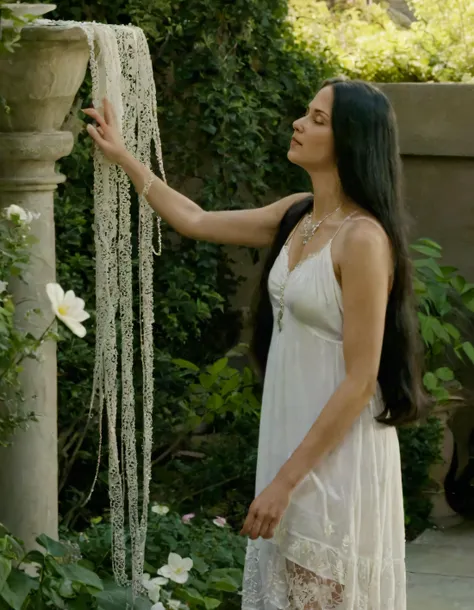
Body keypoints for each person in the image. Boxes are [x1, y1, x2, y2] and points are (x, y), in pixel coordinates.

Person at [83, 76, 426, 610]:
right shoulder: (299, 215)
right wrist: (125, 157)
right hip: (291, 438)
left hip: (336, 454)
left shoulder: (363, 239)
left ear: (352, 139)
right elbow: (194, 220)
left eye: (317, 118)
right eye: (305, 112)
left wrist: (285, 482)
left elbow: (361, 380)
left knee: (323, 597)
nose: (299, 122)